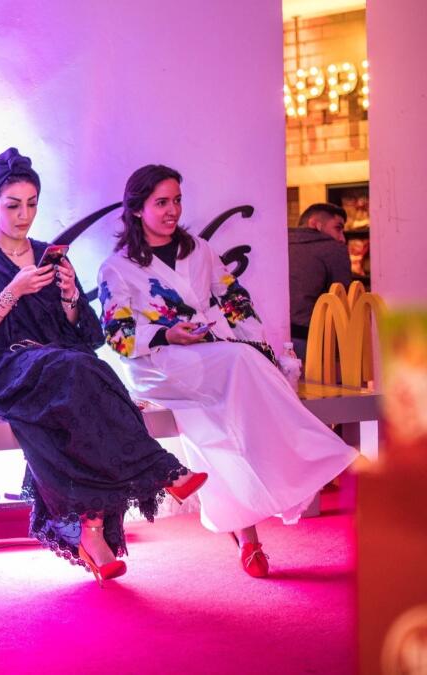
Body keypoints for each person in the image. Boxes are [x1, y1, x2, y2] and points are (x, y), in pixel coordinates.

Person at [0, 148, 207, 587]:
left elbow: (83, 335)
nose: (24, 214)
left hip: (56, 368)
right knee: (80, 373)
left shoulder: (50, 254)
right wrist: (13, 289)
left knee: (87, 371)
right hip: (3, 370)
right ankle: (160, 470)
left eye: (31, 204)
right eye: (12, 205)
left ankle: (92, 531)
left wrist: (68, 297)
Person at [98, 165, 358, 577]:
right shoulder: (118, 267)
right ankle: (312, 453)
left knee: (221, 423)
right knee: (241, 363)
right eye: (161, 202)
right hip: (156, 366)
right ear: (136, 210)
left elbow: (235, 300)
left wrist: (256, 346)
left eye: (177, 200)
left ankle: (249, 535)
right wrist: (168, 334)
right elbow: (117, 335)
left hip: (209, 358)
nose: (172, 210)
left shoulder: (198, 249)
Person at [288, 202, 352, 359]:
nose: (341, 238)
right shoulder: (333, 249)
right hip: (313, 336)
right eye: (338, 228)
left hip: (275, 335)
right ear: (315, 224)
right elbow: (342, 298)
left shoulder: (279, 243)